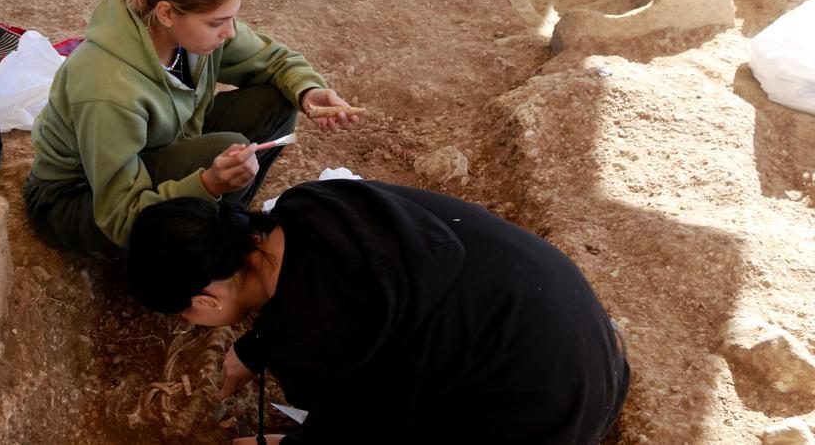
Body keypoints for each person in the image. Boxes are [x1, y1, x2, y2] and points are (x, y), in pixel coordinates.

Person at [127, 179, 630, 444]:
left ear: (207, 301)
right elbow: (365, 289)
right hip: (588, 350)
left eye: (188, 317)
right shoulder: (312, 208)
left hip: (546, 422)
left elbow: (365, 429)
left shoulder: (316, 341)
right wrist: (256, 347)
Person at [23, 0, 357, 257]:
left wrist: (308, 92)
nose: (228, 33)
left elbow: (275, 61)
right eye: (217, 23)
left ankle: (219, 227)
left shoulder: (184, 26)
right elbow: (120, 216)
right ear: (167, 13)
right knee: (222, 150)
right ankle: (189, 256)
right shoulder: (108, 88)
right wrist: (208, 184)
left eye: (231, 20)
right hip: (78, 200)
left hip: (155, 145)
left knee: (277, 100)